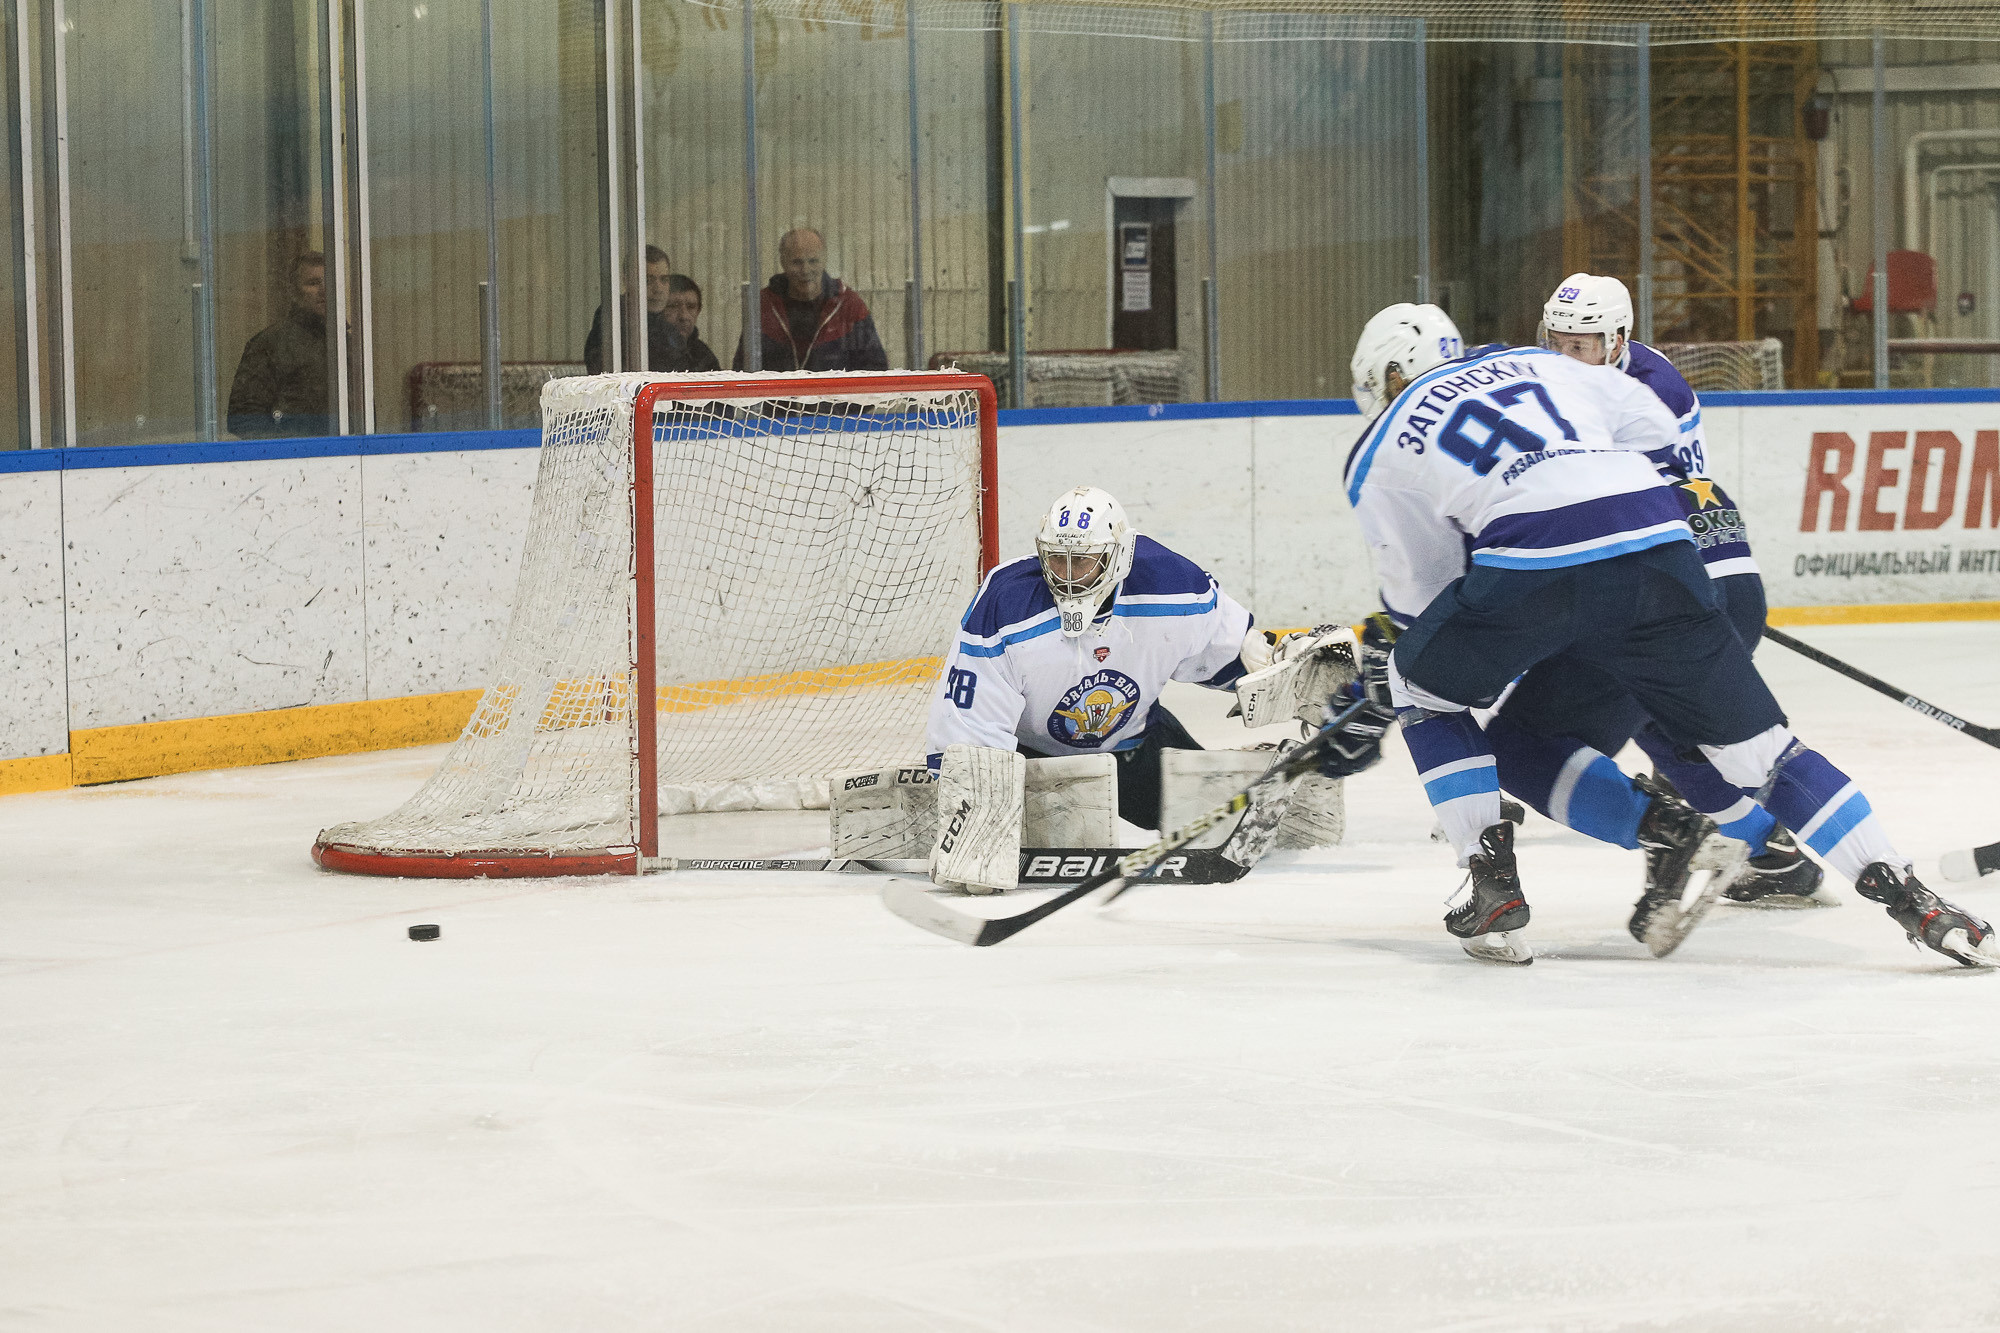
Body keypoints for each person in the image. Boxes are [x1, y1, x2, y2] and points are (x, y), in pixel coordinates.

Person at [1324, 302, 1996, 969]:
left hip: (1533, 567)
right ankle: (1916, 900)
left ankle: (1492, 881)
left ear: (1381, 380)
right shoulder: (1540, 362)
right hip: (1660, 546)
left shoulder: (1379, 446)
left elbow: (1427, 595)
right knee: (1766, 754)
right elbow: (1658, 438)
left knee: (1421, 686)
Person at [1482, 274, 1825, 906]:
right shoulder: (1609, 374)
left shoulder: (1648, 393)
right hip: (1667, 571)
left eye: (1581, 344)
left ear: (1618, 340)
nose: (1566, 356)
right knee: (1663, 724)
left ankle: (1757, 848)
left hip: (1661, 580)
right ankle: (1766, 853)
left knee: (1652, 719)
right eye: (1556, 341)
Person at [925, 486, 1268, 833]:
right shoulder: (1005, 603)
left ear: (1117, 558)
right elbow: (969, 728)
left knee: (1243, 819)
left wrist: (1282, 672)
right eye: (1058, 559)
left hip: (1136, 749)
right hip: (1034, 766)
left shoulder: (1172, 585)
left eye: (1083, 561)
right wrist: (975, 817)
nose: (1068, 576)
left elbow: (1239, 659)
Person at [735, 228, 888, 373]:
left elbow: (874, 369)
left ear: (824, 260)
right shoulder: (763, 306)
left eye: (813, 261)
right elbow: (743, 370)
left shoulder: (849, 305)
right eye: (797, 262)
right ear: (783, 262)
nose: (806, 270)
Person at [227, 252, 330, 439]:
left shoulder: (348, 343)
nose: (324, 290)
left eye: (329, 281)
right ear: (294, 291)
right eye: (313, 283)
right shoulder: (270, 344)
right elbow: (244, 419)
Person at [583, 245, 688, 374]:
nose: (658, 289)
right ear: (627, 281)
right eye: (648, 281)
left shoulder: (670, 325)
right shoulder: (614, 318)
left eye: (664, 280)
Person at [660, 275, 721, 373]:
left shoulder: (703, 356)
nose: (684, 316)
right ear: (660, 309)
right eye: (673, 306)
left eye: (691, 307)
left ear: (698, 311)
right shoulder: (645, 351)